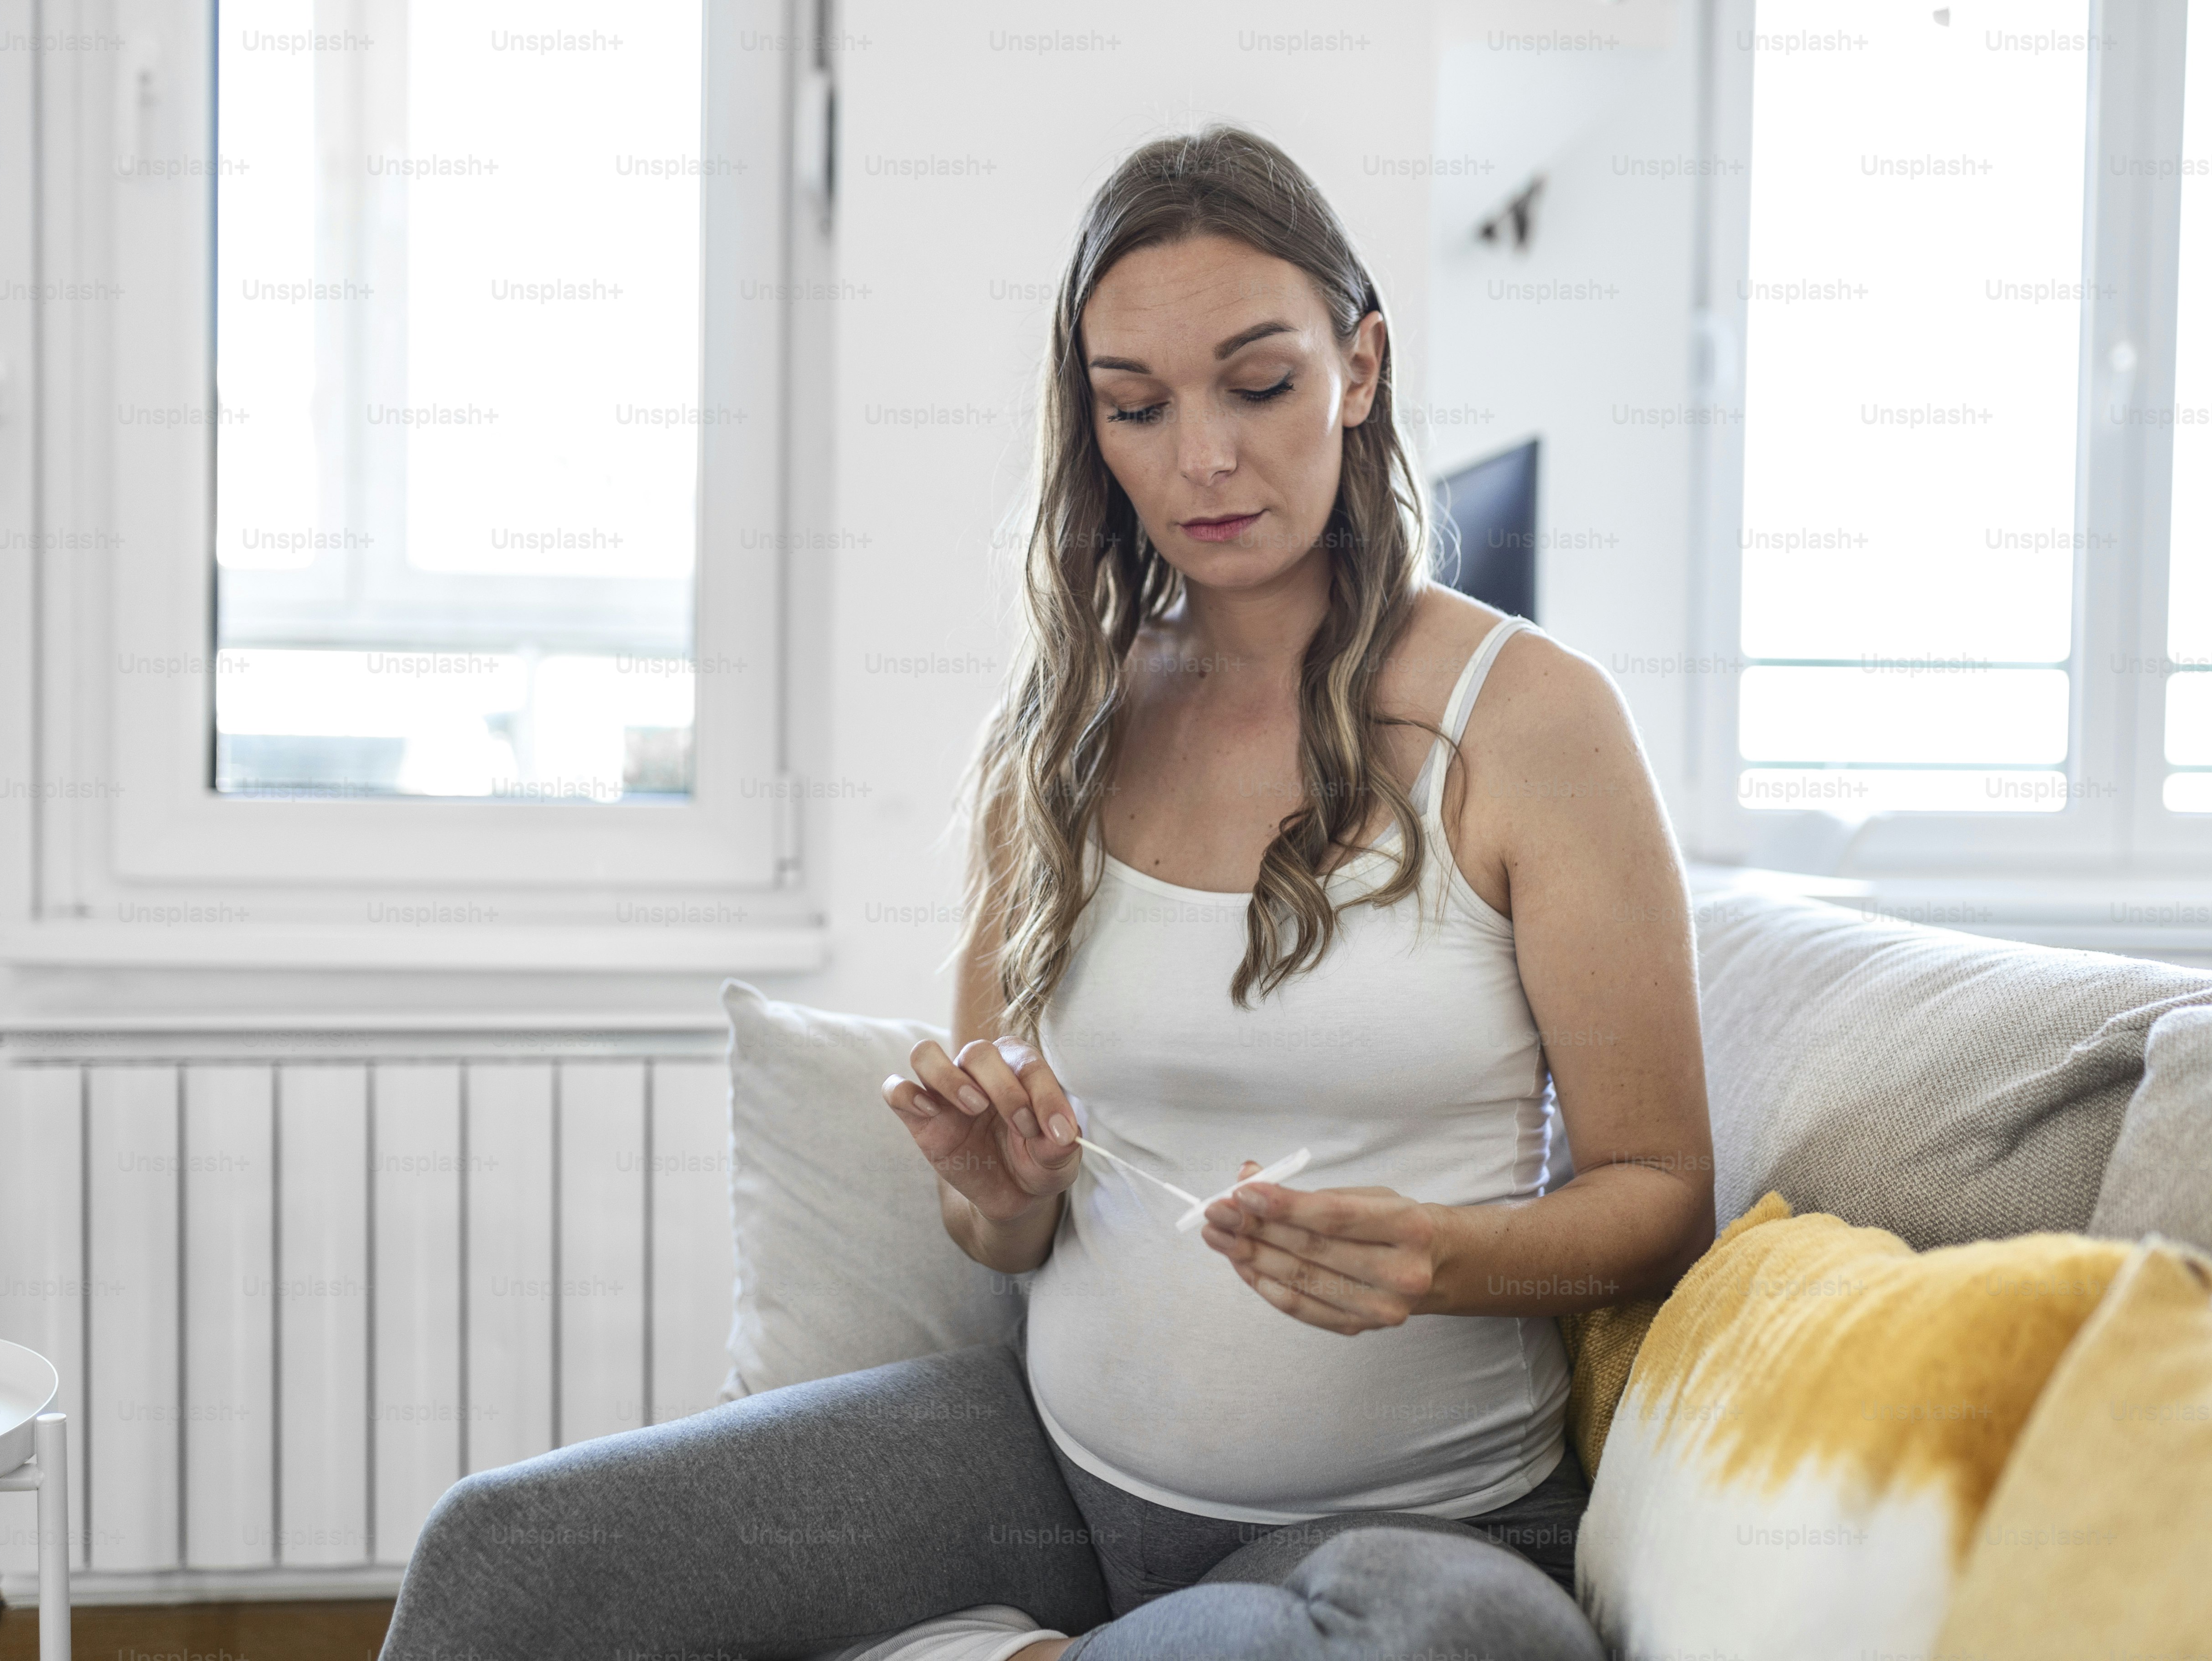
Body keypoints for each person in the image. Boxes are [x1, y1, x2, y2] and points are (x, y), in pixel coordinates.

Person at [380, 123, 1711, 1661]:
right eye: (1136, 409)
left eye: (1259, 384)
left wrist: (1444, 1256)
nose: (1201, 457)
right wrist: (998, 1192)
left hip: (1410, 1525)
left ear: (1361, 367)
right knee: (506, 1557)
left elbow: (1665, 1189)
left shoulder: (1532, 720)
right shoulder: (1062, 727)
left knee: (1455, 1647)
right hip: (1053, 1480)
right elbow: (993, 1228)